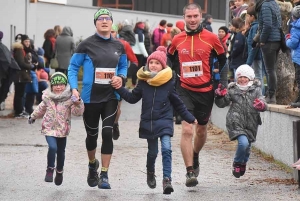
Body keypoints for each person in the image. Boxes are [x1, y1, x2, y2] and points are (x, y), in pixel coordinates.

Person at [112, 46, 197, 194]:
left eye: (157, 63)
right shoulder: (144, 81)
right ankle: (150, 172)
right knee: (152, 152)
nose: (153, 65)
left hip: (164, 120)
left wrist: (190, 118)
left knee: (166, 148)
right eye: (151, 62)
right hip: (149, 122)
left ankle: (167, 180)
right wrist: (119, 88)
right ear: (147, 64)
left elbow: (178, 103)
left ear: (163, 66)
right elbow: (132, 98)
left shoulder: (169, 82)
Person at [167, 3, 226, 187]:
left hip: (206, 91)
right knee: (186, 129)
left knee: (201, 130)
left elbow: (223, 60)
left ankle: (195, 154)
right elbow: (170, 59)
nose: (192, 20)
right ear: (184, 17)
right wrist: (170, 77)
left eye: (195, 16)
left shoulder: (212, 38)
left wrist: (220, 82)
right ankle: (189, 171)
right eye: (189, 17)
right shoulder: (177, 40)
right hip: (184, 89)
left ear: (201, 16)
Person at [68, 8, 127, 190]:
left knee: (107, 132)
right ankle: (92, 164)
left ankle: (104, 174)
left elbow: (124, 66)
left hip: (111, 96)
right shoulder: (85, 45)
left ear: (111, 23)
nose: (104, 21)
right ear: (95, 23)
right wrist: (74, 89)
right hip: (90, 97)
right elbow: (72, 68)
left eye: (107, 19)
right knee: (92, 136)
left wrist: (121, 78)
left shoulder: (119, 46)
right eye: (100, 19)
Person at [28, 72, 84, 185]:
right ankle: (50, 169)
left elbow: (77, 112)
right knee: (52, 147)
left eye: (61, 84)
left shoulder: (70, 99)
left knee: (61, 151)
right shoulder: (47, 98)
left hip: (63, 129)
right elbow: (40, 109)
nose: (58, 87)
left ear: (65, 85)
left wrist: (78, 103)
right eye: (55, 85)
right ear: (51, 86)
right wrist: (33, 116)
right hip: (49, 128)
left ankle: (59, 171)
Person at [214, 64, 267, 178]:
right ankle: (237, 162)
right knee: (243, 143)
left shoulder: (256, 90)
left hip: (251, 122)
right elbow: (222, 103)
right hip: (235, 121)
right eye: (240, 77)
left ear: (250, 78)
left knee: (247, 147)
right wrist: (219, 96)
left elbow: (263, 101)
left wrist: (261, 105)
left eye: (245, 77)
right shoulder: (232, 90)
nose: (242, 79)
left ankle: (243, 162)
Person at [111, 24, 138, 140]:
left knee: (116, 108)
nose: (109, 33)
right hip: (102, 80)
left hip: (119, 80)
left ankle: (115, 124)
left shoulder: (123, 44)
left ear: (116, 33)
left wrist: (125, 75)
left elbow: (135, 61)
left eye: (112, 31)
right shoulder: (98, 44)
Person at [254, 0, 282, 104]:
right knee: (272, 70)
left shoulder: (265, 5)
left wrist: (262, 40)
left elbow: (267, 25)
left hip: (270, 41)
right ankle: (271, 94)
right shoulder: (273, 3)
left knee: (270, 70)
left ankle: (271, 95)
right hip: (276, 40)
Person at [12, 34, 35, 118]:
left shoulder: (24, 50)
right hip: (20, 75)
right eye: (26, 41)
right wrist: (30, 66)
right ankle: (18, 111)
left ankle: (20, 110)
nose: (28, 43)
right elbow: (21, 63)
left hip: (23, 75)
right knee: (19, 94)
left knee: (21, 93)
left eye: (28, 41)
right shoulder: (19, 50)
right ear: (22, 42)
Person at [246, 5, 263, 90]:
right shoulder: (254, 26)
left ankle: (260, 94)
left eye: (248, 16)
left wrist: (249, 61)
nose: (247, 18)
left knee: (258, 76)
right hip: (254, 57)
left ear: (252, 16)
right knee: (257, 75)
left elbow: (254, 45)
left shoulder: (255, 27)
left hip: (256, 57)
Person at [286, 5, 300, 107]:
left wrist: (287, 39)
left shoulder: (296, 27)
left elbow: (293, 43)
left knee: (299, 79)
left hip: (298, 58)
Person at [131, 22, 148, 88]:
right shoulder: (140, 34)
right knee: (139, 69)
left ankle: (133, 83)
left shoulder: (133, 32)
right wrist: (146, 54)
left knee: (134, 68)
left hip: (133, 52)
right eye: (143, 25)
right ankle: (138, 83)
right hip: (139, 53)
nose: (143, 26)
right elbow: (141, 45)